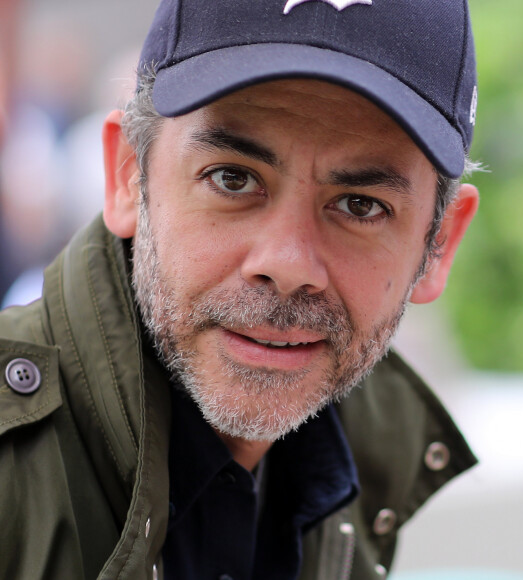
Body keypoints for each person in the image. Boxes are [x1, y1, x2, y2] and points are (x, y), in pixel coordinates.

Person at [0, 0, 481, 578]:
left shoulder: (365, 484)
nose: (287, 264)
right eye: (233, 178)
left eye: (361, 206)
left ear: (438, 245)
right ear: (128, 176)